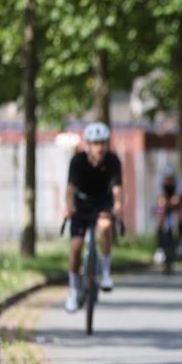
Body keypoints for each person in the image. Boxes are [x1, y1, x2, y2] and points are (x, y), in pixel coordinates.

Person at [63, 122, 123, 312]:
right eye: (95, 143)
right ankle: (73, 290)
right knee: (76, 248)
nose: (99, 147)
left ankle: (105, 272)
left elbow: (117, 189)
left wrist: (119, 206)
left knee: (105, 227)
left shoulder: (113, 161)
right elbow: (70, 189)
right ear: (87, 144)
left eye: (102, 143)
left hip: (103, 202)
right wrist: (69, 207)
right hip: (81, 204)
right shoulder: (77, 161)